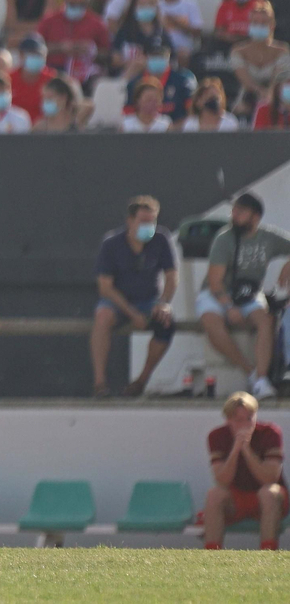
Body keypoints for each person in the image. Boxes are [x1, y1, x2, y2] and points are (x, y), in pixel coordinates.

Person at [199, 193, 290, 399]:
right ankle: (250, 372)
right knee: (210, 320)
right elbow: (215, 281)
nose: (234, 215)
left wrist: (288, 263)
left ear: (255, 216)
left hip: (250, 294)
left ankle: (262, 379)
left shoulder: (268, 238)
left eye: (240, 212)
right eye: (234, 211)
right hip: (217, 292)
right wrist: (228, 306)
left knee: (266, 321)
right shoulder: (224, 239)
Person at [89, 197, 178, 397]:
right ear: (130, 221)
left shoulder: (161, 240)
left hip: (150, 301)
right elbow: (105, 287)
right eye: (143, 221)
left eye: (152, 221)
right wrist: (132, 313)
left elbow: (172, 277)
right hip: (118, 301)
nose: (149, 226)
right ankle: (100, 384)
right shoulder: (111, 244)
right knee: (102, 316)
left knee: (167, 323)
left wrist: (163, 304)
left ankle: (140, 382)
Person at [202, 391, 286, 549]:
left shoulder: (270, 433)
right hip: (236, 496)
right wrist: (235, 450)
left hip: (268, 498)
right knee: (214, 494)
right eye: (238, 420)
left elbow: (270, 478)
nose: (245, 425)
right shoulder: (217, 436)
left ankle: (267, 555)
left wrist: (246, 450)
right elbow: (222, 480)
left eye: (249, 418)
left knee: (269, 492)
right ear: (228, 420)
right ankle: (211, 556)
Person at [38, 0, 110, 85]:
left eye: (81, 3)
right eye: (73, 3)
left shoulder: (97, 23)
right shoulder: (49, 21)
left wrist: (91, 50)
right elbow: (36, 48)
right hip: (54, 70)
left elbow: (107, 53)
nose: (77, 6)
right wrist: (60, 48)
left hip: (85, 73)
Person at [232, 2, 290, 112]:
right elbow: (246, 81)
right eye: (255, 22)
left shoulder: (283, 51)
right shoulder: (238, 51)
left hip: (277, 99)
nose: (259, 26)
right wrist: (261, 93)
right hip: (247, 99)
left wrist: (269, 97)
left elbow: (278, 80)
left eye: (264, 23)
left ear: (272, 25)